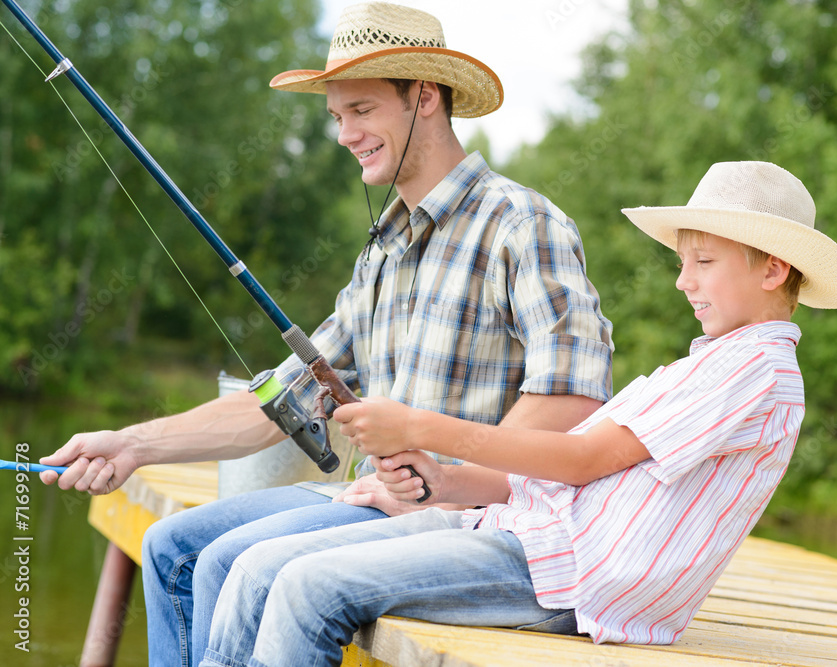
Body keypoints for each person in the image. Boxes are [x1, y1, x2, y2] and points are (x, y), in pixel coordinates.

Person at [39, 3, 613, 666]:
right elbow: (281, 403)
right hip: (371, 499)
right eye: (337, 115)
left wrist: (448, 479)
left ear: (424, 96)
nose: (344, 133)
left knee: (232, 562)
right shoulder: (383, 250)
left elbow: (574, 396)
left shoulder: (523, 223)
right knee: (172, 547)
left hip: (471, 521)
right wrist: (131, 444)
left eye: (362, 109)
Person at [196, 160, 837, 667]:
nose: (683, 280)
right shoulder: (705, 365)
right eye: (684, 262)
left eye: (704, 262)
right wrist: (446, 482)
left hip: (568, 579)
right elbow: (571, 476)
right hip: (527, 539)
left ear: (773, 269)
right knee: (257, 565)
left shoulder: (758, 372)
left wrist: (418, 425)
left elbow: (583, 458)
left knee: (308, 585)